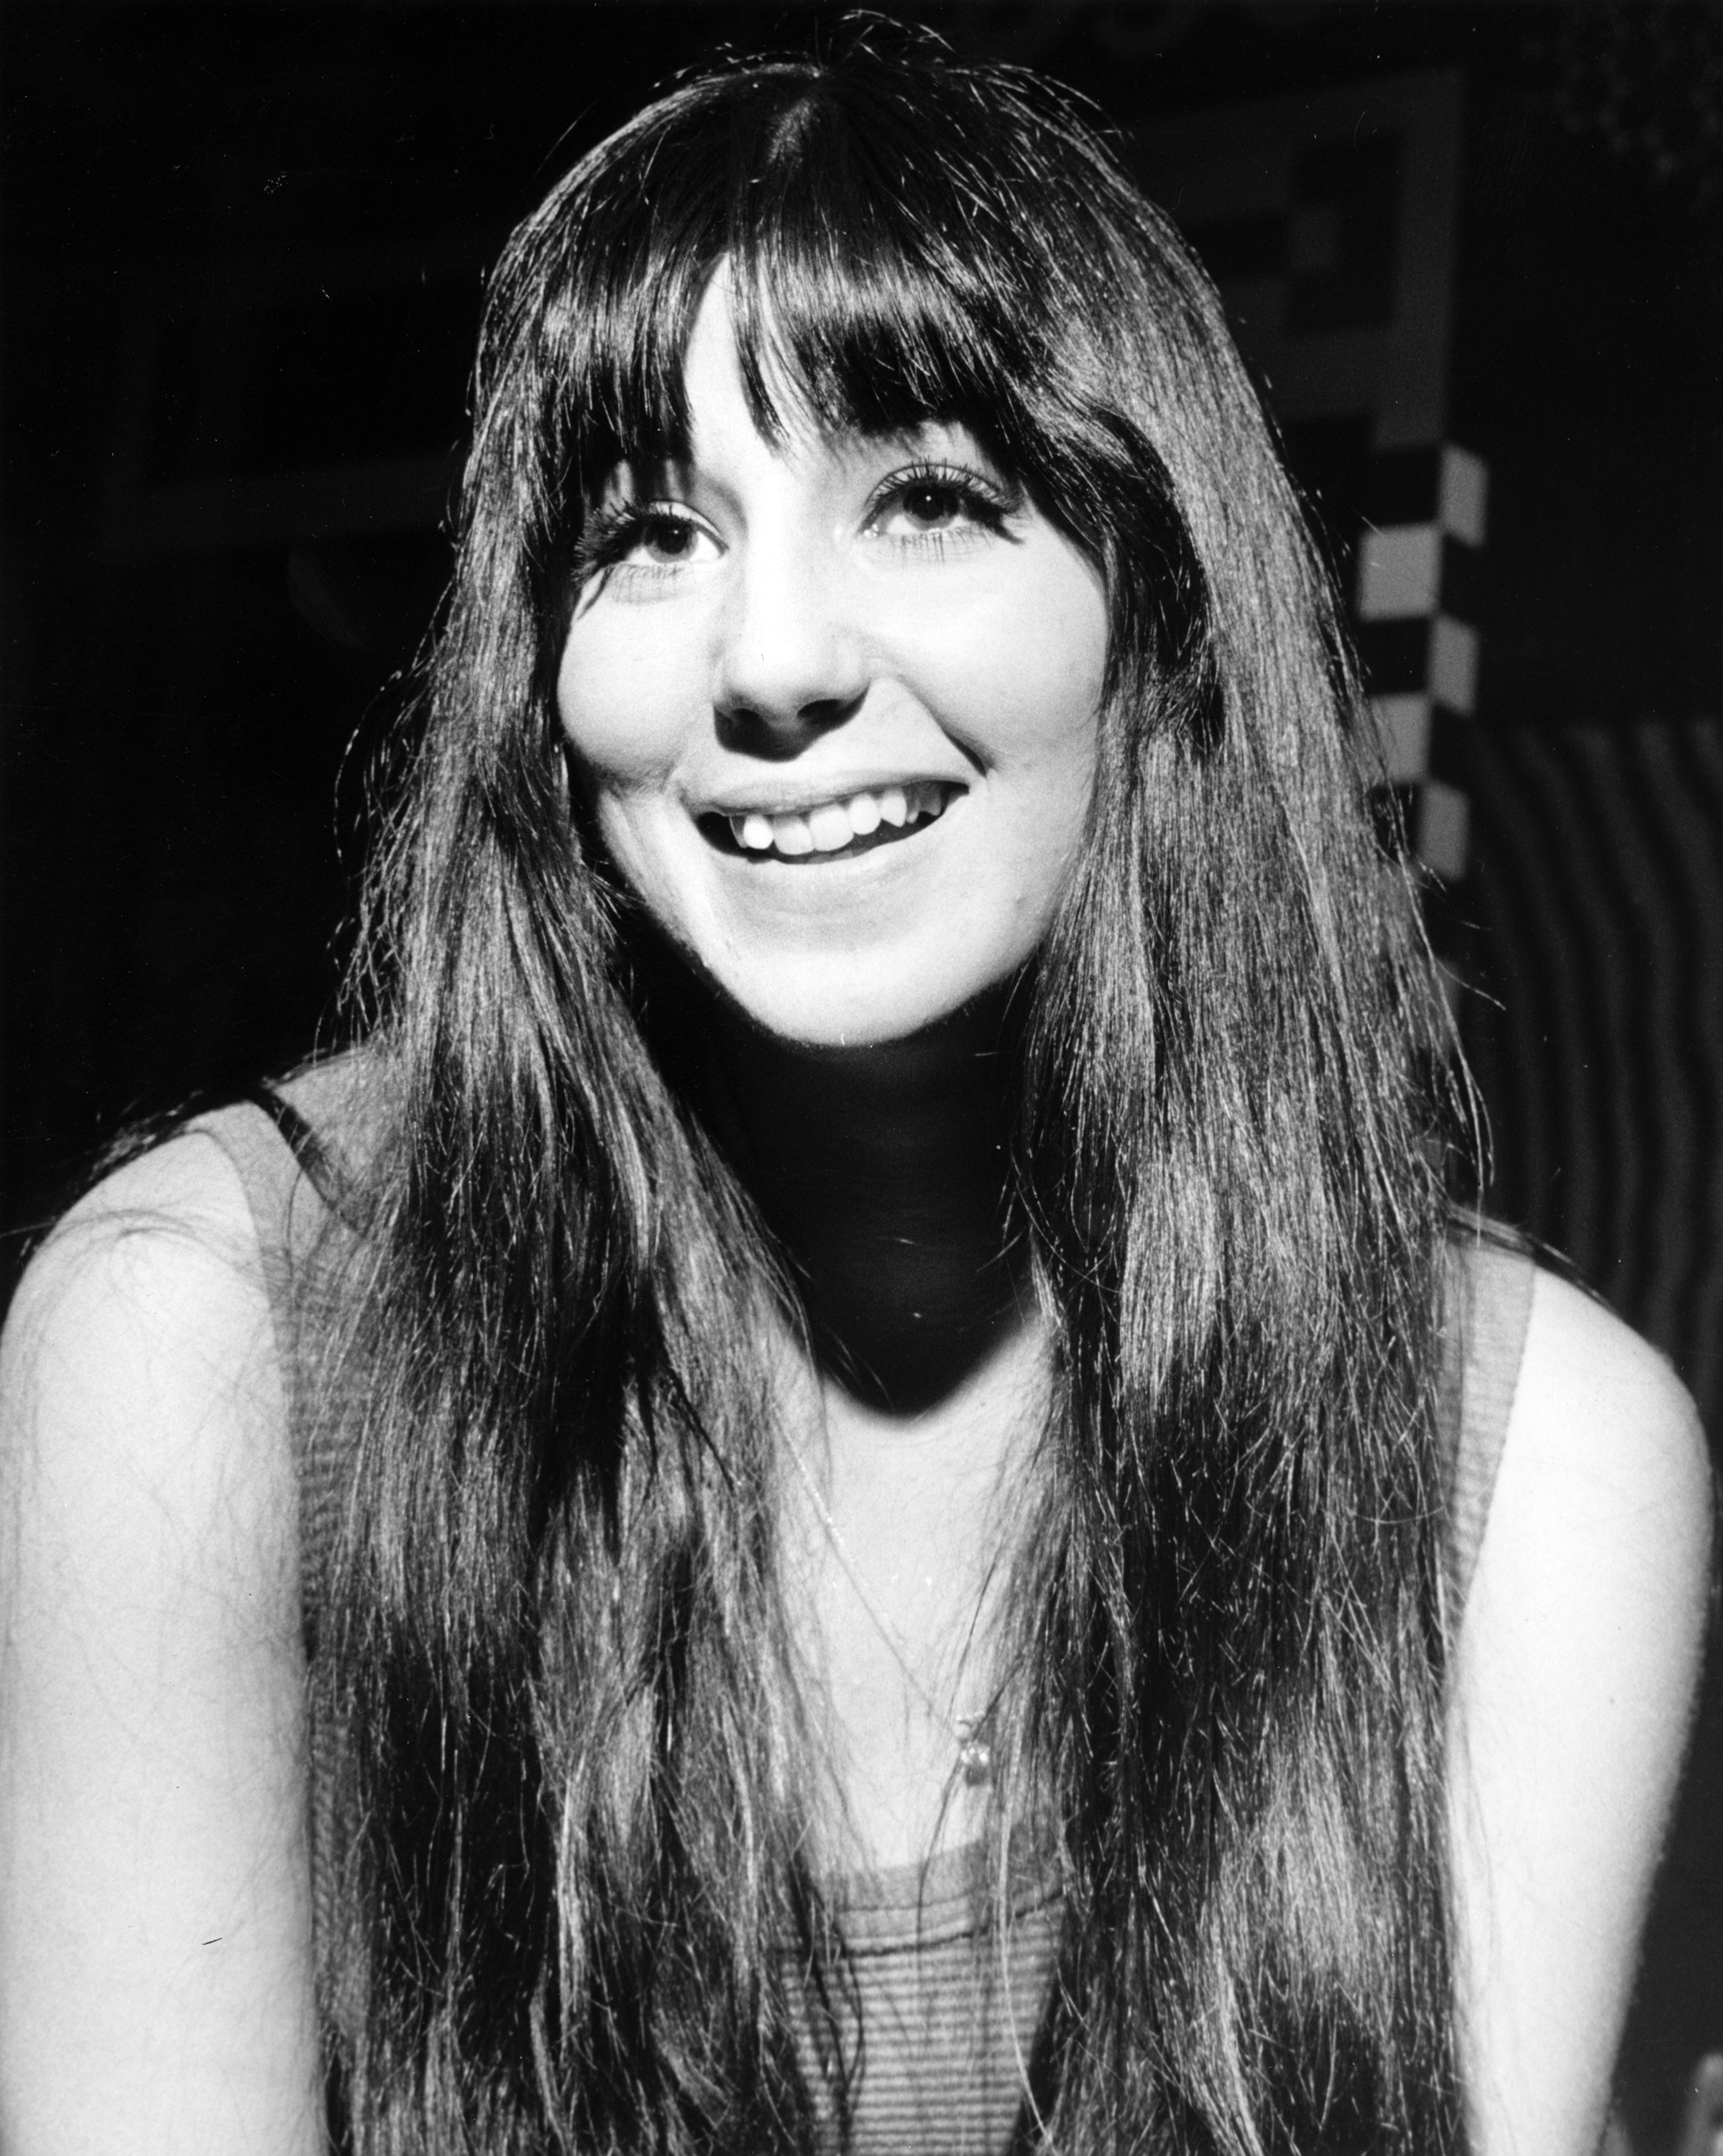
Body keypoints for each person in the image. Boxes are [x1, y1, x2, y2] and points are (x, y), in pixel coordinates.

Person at [0, 34, 1710, 2156]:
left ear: (1156, 616)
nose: (773, 657)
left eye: (928, 496)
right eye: (646, 532)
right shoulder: (203, 1351)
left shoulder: (1533, 1465)